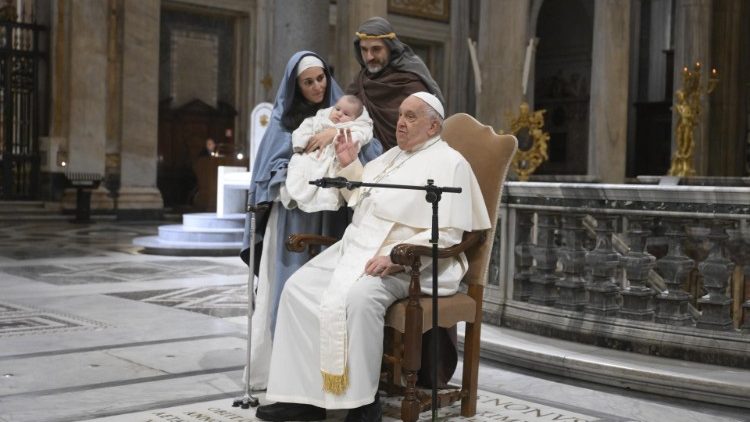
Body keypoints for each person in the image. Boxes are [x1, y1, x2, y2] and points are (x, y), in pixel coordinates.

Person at [254, 92, 490, 422]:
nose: (401, 123)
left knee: (360, 298)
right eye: (400, 116)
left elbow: (449, 236)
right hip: (358, 248)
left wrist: (397, 257)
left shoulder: (451, 164)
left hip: (414, 263)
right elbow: (361, 202)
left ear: (434, 126)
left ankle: (363, 404)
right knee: (297, 288)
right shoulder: (388, 158)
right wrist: (351, 164)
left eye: (411, 117)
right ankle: (303, 397)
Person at [241, 51, 382, 391]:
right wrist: (295, 164)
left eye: (321, 78)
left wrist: (336, 133)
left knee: (327, 296)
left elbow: (373, 152)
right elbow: (266, 173)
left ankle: (326, 375)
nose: (317, 86)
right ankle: (281, 374)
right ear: (296, 86)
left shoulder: (345, 110)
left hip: (333, 218)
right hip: (292, 219)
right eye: (308, 82)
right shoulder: (282, 121)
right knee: (288, 288)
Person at [347, 16, 445, 151]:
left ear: (390, 47)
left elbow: (427, 131)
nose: (369, 57)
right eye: (364, 49)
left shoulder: (411, 82)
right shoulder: (359, 81)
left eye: (376, 49)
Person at [281, 94, 373, 212]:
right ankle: (297, 190)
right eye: (337, 109)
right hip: (311, 154)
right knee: (300, 165)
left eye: (346, 114)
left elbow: (357, 137)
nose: (339, 114)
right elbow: (302, 130)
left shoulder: (353, 127)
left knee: (328, 178)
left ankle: (324, 201)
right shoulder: (319, 120)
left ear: (354, 119)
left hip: (332, 158)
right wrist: (302, 142)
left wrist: (336, 135)